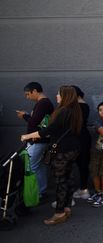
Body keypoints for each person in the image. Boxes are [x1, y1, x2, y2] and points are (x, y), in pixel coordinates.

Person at [21, 86, 82, 225]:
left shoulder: (63, 111)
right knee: (68, 178)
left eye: (59, 94)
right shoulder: (75, 111)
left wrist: (27, 136)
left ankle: (59, 212)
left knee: (60, 181)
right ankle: (66, 207)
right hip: (72, 149)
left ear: (65, 96)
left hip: (62, 151)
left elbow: (48, 130)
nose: (56, 96)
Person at [16, 82, 54, 200]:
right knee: (39, 166)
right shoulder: (44, 103)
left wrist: (25, 116)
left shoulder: (43, 103)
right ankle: (42, 191)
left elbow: (34, 122)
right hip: (41, 140)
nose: (27, 97)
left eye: (28, 94)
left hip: (38, 141)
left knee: (31, 166)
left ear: (35, 91)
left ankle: (37, 193)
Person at [87, 102, 103, 207]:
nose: (102, 111)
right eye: (100, 109)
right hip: (95, 152)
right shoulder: (97, 122)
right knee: (94, 172)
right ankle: (98, 192)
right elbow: (102, 131)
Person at [71, 86, 91, 200]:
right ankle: (84, 189)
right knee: (83, 164)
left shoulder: (76, 107)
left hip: (76, 138)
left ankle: (80, 190)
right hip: (84, 137)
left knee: (72, 164)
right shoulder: (85, 105)